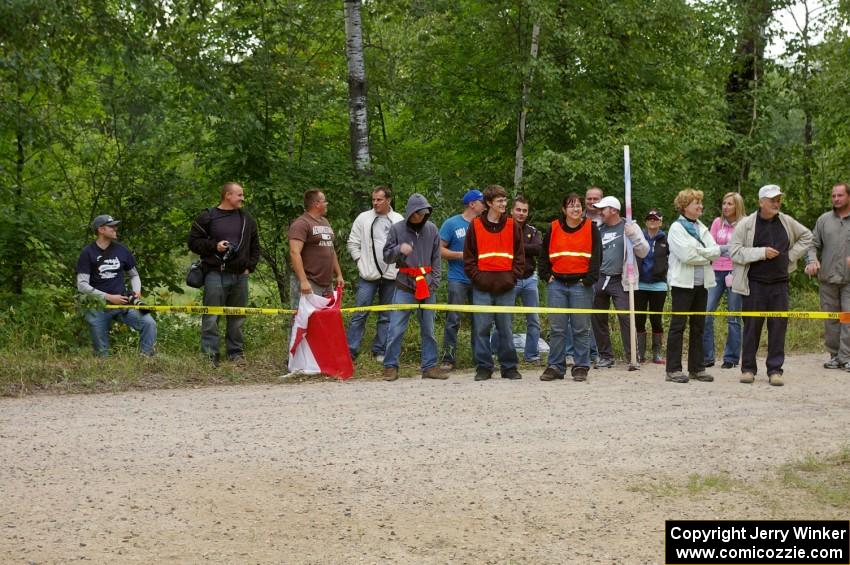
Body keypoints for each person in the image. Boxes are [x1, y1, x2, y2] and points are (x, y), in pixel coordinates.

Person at [730, 184, 813, 386]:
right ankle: (748, 369)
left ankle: (775, 370)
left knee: (778, 327)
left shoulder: (786, 221)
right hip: (754, 284)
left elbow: (807, 236)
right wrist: (761, 252)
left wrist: (789, 257)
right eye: (772, 200)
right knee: (751, 327)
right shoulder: (746, 224)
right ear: (761, 202)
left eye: (778, 199)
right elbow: (734, 252)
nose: (776, 203)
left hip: (780, 284)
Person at [188, 183, 260, 365]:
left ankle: (235, 353)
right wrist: (215, 246)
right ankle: (210, 356)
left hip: (240, 276)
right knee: (211, 316)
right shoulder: (208, 217)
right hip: (215, 274)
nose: (242, 198)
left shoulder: (246, 219)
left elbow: (255, 245)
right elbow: (193, 242)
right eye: (239, 195)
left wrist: (249, 267)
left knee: (238, 316)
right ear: (228, 195)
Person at [381, 194, 445, 381]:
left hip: (427, 287)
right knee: (396, 329)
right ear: (410, 213)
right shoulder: (397, 229)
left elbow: (437, 258)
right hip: (404, 286)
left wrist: (434, 281)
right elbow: (386, 256)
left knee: (429, 329)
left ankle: (430, 367)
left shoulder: (432, 229)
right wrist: (399, 249)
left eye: (424, 212)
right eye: (418, 213)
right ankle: (390, 366)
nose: (421, 216)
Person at [464, 185, 525, 381]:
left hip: (506, 287)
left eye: (505, 200)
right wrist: (478, 278)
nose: (503, 204)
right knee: (481, 328)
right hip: (482, 287)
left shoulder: (511, 225)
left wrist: (512, 277)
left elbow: (519, 256)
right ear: (489, 203)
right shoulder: (475, 226)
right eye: (499, 200)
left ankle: (509, 367)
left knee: (505, 328)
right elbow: (469, 257)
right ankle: (484, 367)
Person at [538, 193, 601, 382]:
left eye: (579, 205)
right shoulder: (554, 228)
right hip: (557, 284)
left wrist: (589, 280)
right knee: (557, 328)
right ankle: (555, 366)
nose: (576, 209)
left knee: (580, 328)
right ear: (564, 209)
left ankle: (581, 366)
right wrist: (546, 275)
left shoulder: (591, 228)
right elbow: (543, 254)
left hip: (581, 285)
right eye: (572, 206)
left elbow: (597, 256)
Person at [76, 214, 157, 356]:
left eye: (115, 226)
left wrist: (136, 291)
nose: (115, 228)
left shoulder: (122, 250)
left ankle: (146, 360)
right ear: (101, 230)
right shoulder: (87, 253)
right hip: (98, 306)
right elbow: (82, 285)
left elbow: (134, 275)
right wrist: (108, 297)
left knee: (149, 323)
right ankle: (105, 371)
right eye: (111, 226)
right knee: (102, 354)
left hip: (123, 303)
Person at [664, 190, 720, 383]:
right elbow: (686, 256)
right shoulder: (676, 228)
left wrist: (701, 253)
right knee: (677, 327)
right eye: (696, 203)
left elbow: (716, 252)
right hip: (682, 284)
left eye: (700, 203)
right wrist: (705, 254)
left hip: (702, 284)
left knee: (699, 326)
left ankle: (697, 368)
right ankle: (673, 369)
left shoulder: (703, 228)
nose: (700, 206)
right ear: (685, 205)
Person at [345, 186, 404, 362]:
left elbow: (404, 245)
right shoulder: (363, 218)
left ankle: (380, 350)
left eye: (379, 199)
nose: (375, 203)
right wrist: (360, 262)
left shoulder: (398, 220)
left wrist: (399, 265)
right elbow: (352, 243)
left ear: (388, 200)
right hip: (368, 275)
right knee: (360, 312)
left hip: (391, 276)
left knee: (386, 314)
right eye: (373, 200)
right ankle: (350, 351)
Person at [590, 196, 649, 368]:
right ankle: (605, 356)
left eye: (603, 209)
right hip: (600, 277)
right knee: (597, 317)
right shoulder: (597, 228)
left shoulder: (629, 226)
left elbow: (644, 252)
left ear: (614, 210)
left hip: (621, 279)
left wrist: (634, 237)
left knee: (626, 317)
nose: (599, 212)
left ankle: (633, 356)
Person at [491, 195, 542, 363]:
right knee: (503, 318)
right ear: (512, 210)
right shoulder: (502, 228)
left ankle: (532, 355)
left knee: (533, 319)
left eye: (524, 211)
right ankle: (496, 352)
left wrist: (517, 246)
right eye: (518, 210)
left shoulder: (532, 230)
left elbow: (538, 249)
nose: (521, 213)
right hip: (508, 278)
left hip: (529, 278)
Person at [438, 189, 485, 371]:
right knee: (453, 319)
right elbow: (439, 250)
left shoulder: (483, 224)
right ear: (472, 204)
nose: (484, 205)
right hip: (457, 278)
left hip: (479, 279)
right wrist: (460, 255)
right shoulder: (451, 224)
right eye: (481, 202)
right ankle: (448, 358)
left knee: (480, 319)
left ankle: (480, 358)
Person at [805, 182, 850, 370]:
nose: (836, 199)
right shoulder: (824, 220)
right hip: (827, 278)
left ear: (848, 196)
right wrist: (812, 261)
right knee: (831, 318)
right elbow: (811, 244)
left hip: (849, 280)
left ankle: (846, 356)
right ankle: (834, 355)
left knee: (847, 318)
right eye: (833, 196)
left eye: (840, 195)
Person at [562, 186, 604, 366]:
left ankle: (594, 352)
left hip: (598, 275)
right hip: (575, 276)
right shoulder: (577, 218)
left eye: (596, 199)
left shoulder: (610, 218)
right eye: (589, 199)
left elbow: (598, 253)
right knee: (573, 319)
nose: (592, 202)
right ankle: (571, 353)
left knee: (589, 318)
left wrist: (590, 277)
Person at [703, 192, 746, 369]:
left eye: (730, 204)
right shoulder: (716, 223)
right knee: (706, 313)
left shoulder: (745, 224)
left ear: (737, 206)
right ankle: (707, 356)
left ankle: (731, 358)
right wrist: (728, 249)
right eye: (724, 203)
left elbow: (743, 249)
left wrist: (723, 249)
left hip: (736, 272)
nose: (726, 207)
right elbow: (710, 247)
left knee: (733, 316)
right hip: (715, 272)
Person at [288, 189, 345, 303]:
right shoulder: (301, 224)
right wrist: (303, 281)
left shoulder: (325, 222)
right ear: (316, 204)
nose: (326, 204)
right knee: (303, 319)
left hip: (327, 283)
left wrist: (339, 274)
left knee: (322, 319)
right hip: (309, 282)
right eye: (324, 201)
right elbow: (294, 253)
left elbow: (331, 249)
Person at [634, 208, 669, 364]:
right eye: (649, 218)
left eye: (655, 219)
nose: (652, 221)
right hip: (640, 284)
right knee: (639, 319)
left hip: (659, 285)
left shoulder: (666, 239)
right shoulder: (638, 237)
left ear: (660, 221)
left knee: (656, 319)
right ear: (645, 221)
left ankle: (657, 353)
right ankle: (640, 353)